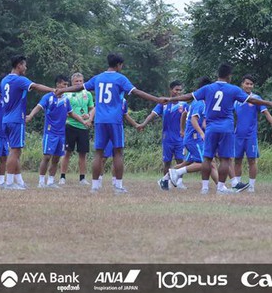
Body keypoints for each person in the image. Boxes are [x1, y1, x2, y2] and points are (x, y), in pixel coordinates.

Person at [60, 53, 167, 194]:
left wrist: (63, 90)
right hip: (114, 120)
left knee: (98, 152)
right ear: (118, 65)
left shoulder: (98, 78)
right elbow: (137, 92)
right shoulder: (120, 78)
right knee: (118, 152)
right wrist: (157, 100)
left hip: (100, 120)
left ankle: (95, 186)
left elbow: (79, 88)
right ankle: (118, 185)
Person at [173, 63, 272, 195]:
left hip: (211, 128)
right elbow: (253, 101)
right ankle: (220, 187)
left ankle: (205, 188)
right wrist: (271, 103)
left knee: (207, 158)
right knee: (225, 159)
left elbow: (188, 96)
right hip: (226, 128)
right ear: (229, 76)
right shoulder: (234, 89)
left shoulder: (208, 88)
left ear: (218, 75)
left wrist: (169, 99)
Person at [0, 55, 64, 190]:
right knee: (15, 151)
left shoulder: (4, 80)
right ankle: (9, 183)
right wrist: (52, 90)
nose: (26, 68)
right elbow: (36, 86)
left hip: (5, 119)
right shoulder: (19, 80)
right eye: (24, 65)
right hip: (16, 119)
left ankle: (19, 182)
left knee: (15, 151)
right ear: (19, 66)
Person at [26, 75, 89, 189]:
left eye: (66, 85)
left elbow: (72, 113)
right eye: (64, 84)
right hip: (50, 132)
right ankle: (41, 182)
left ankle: (50, 181)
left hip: (61, 133)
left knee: (56, 158)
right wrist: (30, 116)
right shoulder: (48, 97)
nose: (66, 87)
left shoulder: (65, 99)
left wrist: (83, 122)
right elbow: (38, 107)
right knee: (47, 157)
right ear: (58, 84)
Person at [169, 77, 220, 188]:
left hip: (194, 138)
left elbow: (201, 122)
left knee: (204, 163)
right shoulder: (199, 103)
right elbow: (193, 119)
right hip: (194, 138)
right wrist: (202, 133)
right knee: (206, 163)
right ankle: (177, 173)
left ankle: (164, 180)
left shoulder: (203, 103)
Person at [232, 74, 272, 192]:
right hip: (237, 135)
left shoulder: (256, 98)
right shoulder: (236, 99)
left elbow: (266, 113)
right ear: (242, 84)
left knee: (252, 160)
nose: (249, 86)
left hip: (250, 136)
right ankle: (238, 185)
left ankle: (251, 187)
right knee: (237, 160)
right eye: (247, 83)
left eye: (251, 84)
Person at [139, 80, 189, 191]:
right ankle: (165, 183)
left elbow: (191, 120)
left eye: (180, 90)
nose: (178, 92)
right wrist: (143, 124)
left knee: (180, 161)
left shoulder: (184, 105)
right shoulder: (164, 103)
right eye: (176, 90)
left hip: (180, 139)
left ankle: (179, 182)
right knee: (167, 162)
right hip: (167, 138)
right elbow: (153, 114)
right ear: (171, 90)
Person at [60, 73, 94, 186]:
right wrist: (80, 118)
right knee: (67, 152)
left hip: (83, 127)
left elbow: (92, 109)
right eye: (76, 82)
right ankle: (62, 177)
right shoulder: (66, 94)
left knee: (83, 154)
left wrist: (89, 116)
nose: (79, 83)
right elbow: (66, 111)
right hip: (70, 125)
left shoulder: (87, 94)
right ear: (72, 82)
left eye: (80, 81)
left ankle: (82, 178)